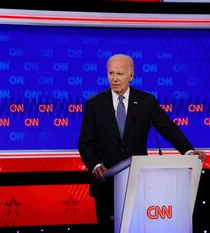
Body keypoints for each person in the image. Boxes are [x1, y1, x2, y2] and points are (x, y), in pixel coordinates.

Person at [78, 54, 205, 233]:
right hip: (106, 183)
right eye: (110, 73)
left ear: (131, 75)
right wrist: (95, 164)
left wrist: (188, 151)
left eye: (120, 74)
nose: (114, 79)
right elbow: (85, 143)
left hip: (137, 182)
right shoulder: (94, 104)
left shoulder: (146, 102)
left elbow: (167, 128)